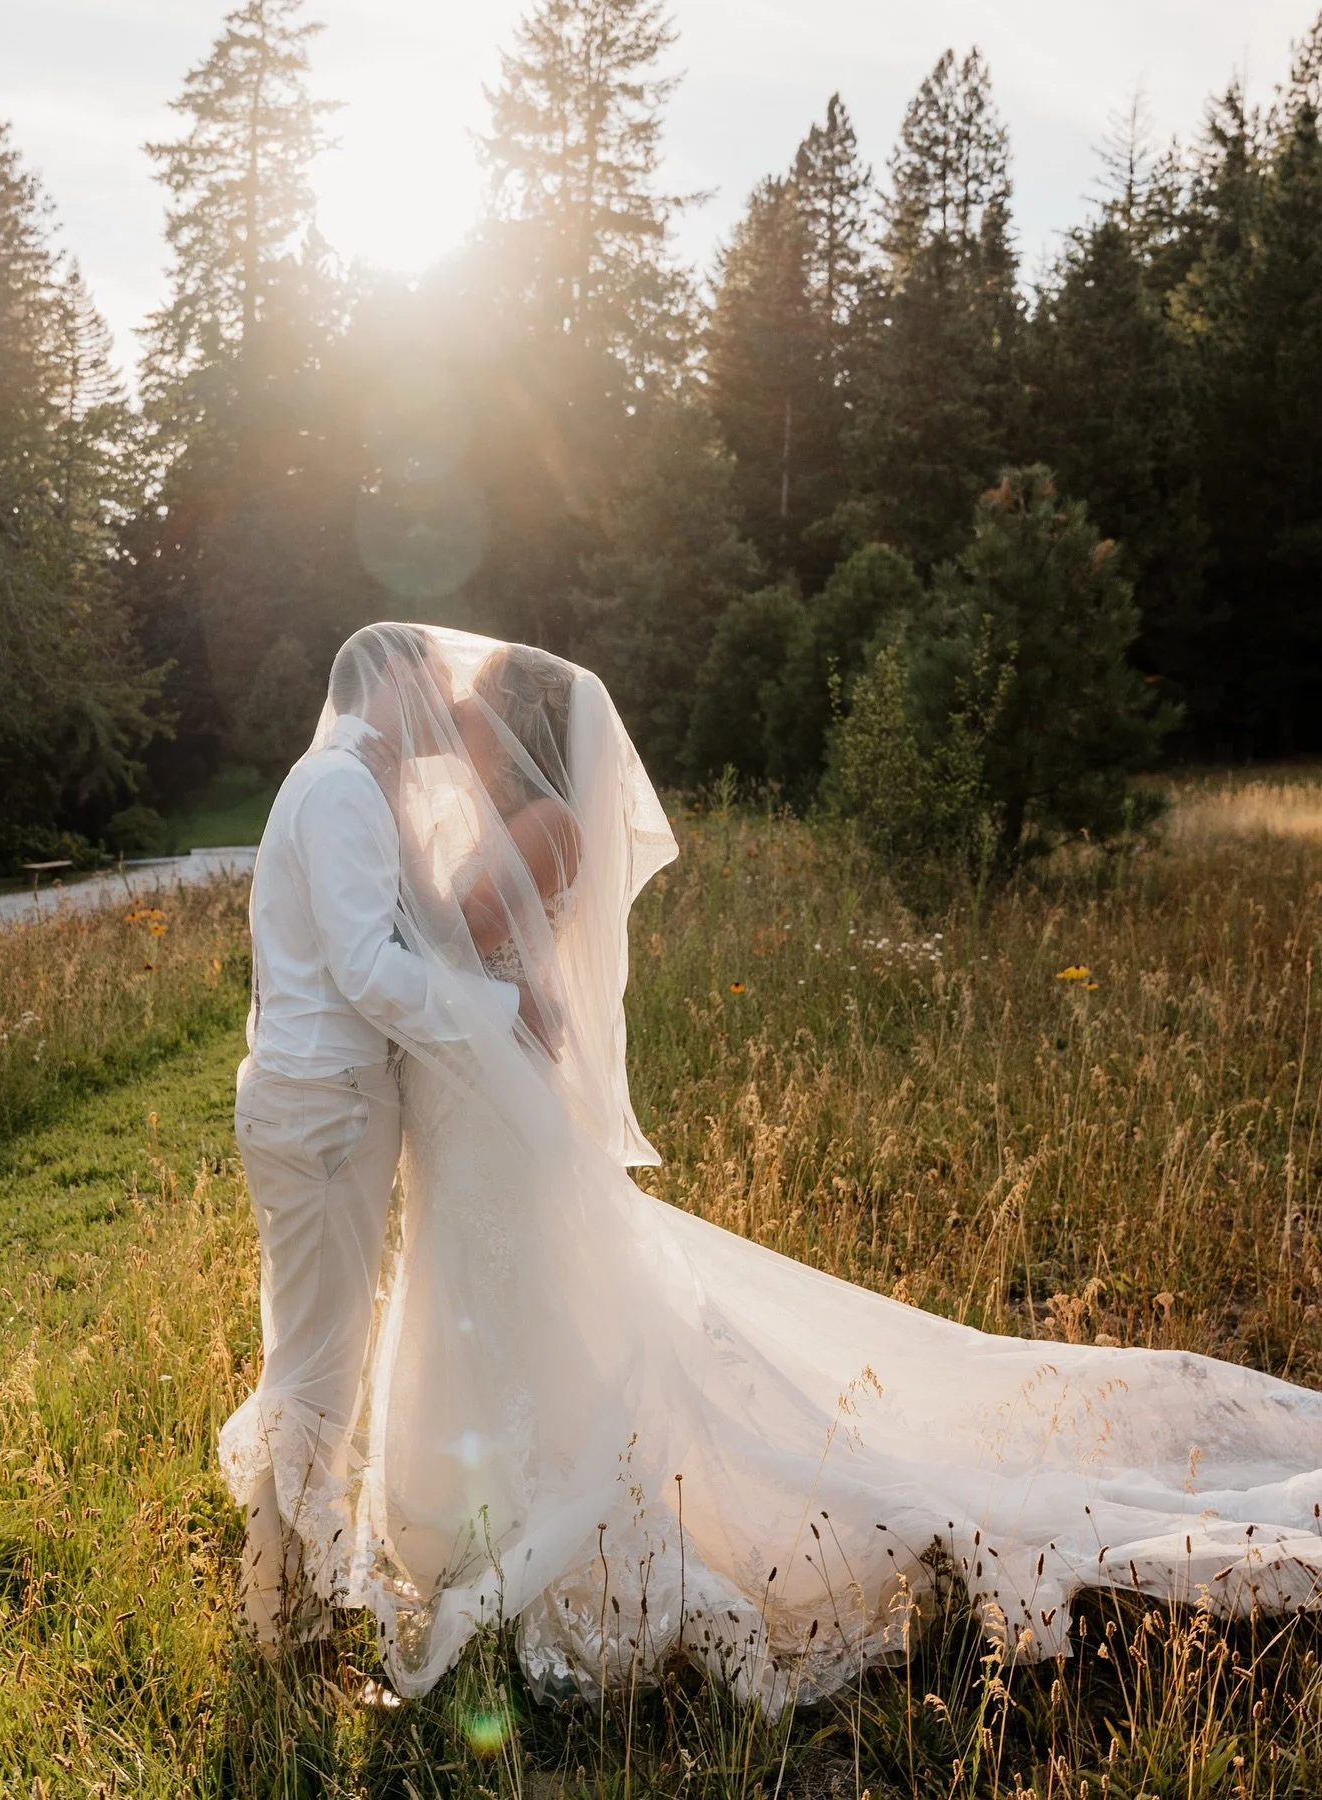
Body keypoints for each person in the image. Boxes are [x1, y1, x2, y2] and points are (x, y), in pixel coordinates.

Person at [222, 623, 1322, 1717]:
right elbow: (427, 950)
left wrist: (505, 991)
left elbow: (447, 947)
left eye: (473, 694)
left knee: (516, 1311)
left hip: (485, 1120)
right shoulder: (419, 805)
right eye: (446, 683)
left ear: (505, 723)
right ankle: (438, 1531)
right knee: (467, 1310)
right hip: (455, 1113)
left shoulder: (536, 822)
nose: (453, 700)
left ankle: (511, 1537)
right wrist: (498, 983)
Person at [218, 622, 524, 1646]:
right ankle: (283, 1619)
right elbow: (362, 966)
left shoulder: (356, 783)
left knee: (312, 1354)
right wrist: (491, 1021)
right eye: (434, 678)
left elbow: (404, 933)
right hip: (322, 1111)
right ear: (387, 678)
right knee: (317, 1365)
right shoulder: (343, 787)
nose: (448, 698)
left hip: (322, 1106)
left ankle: (292, 1593)